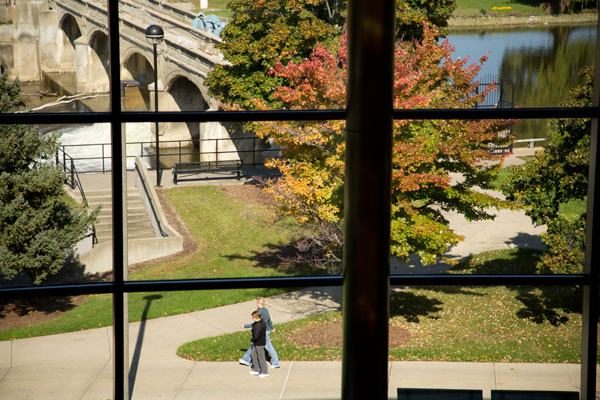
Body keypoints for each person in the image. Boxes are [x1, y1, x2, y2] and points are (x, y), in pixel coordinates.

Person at [239, 298, 280, 368]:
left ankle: (275, 363)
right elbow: (269, 320)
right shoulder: (264, 310)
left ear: (260, 303)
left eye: (257, 303)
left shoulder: (261, 312)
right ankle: (246, 359)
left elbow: (256, 324)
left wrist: (245, 326)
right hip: (265, 330)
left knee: (268, 347)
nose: (256, 304)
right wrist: (272, 328)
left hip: (263, 332)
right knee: (254, 345)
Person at [248, 310, 269, 378]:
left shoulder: (259, 325)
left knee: (261, 357)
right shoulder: (261, 323)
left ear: (256, 317)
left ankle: (265, 372)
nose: (253, 319)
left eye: (253, 317)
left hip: (259, 343)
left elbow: (256, 335)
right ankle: (256, 369)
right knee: (253, 355)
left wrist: (252, 339)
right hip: (257, 342)